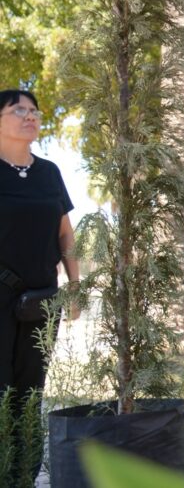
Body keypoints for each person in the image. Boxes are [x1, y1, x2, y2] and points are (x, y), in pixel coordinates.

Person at [0, 89, 78, 485]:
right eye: (18, 110)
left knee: (30, 392)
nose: (30, 116)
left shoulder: (49, 172)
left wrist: (75, 285)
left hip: (42, 300)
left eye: (34, 111)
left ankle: (23, 475)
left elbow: (66, 234)